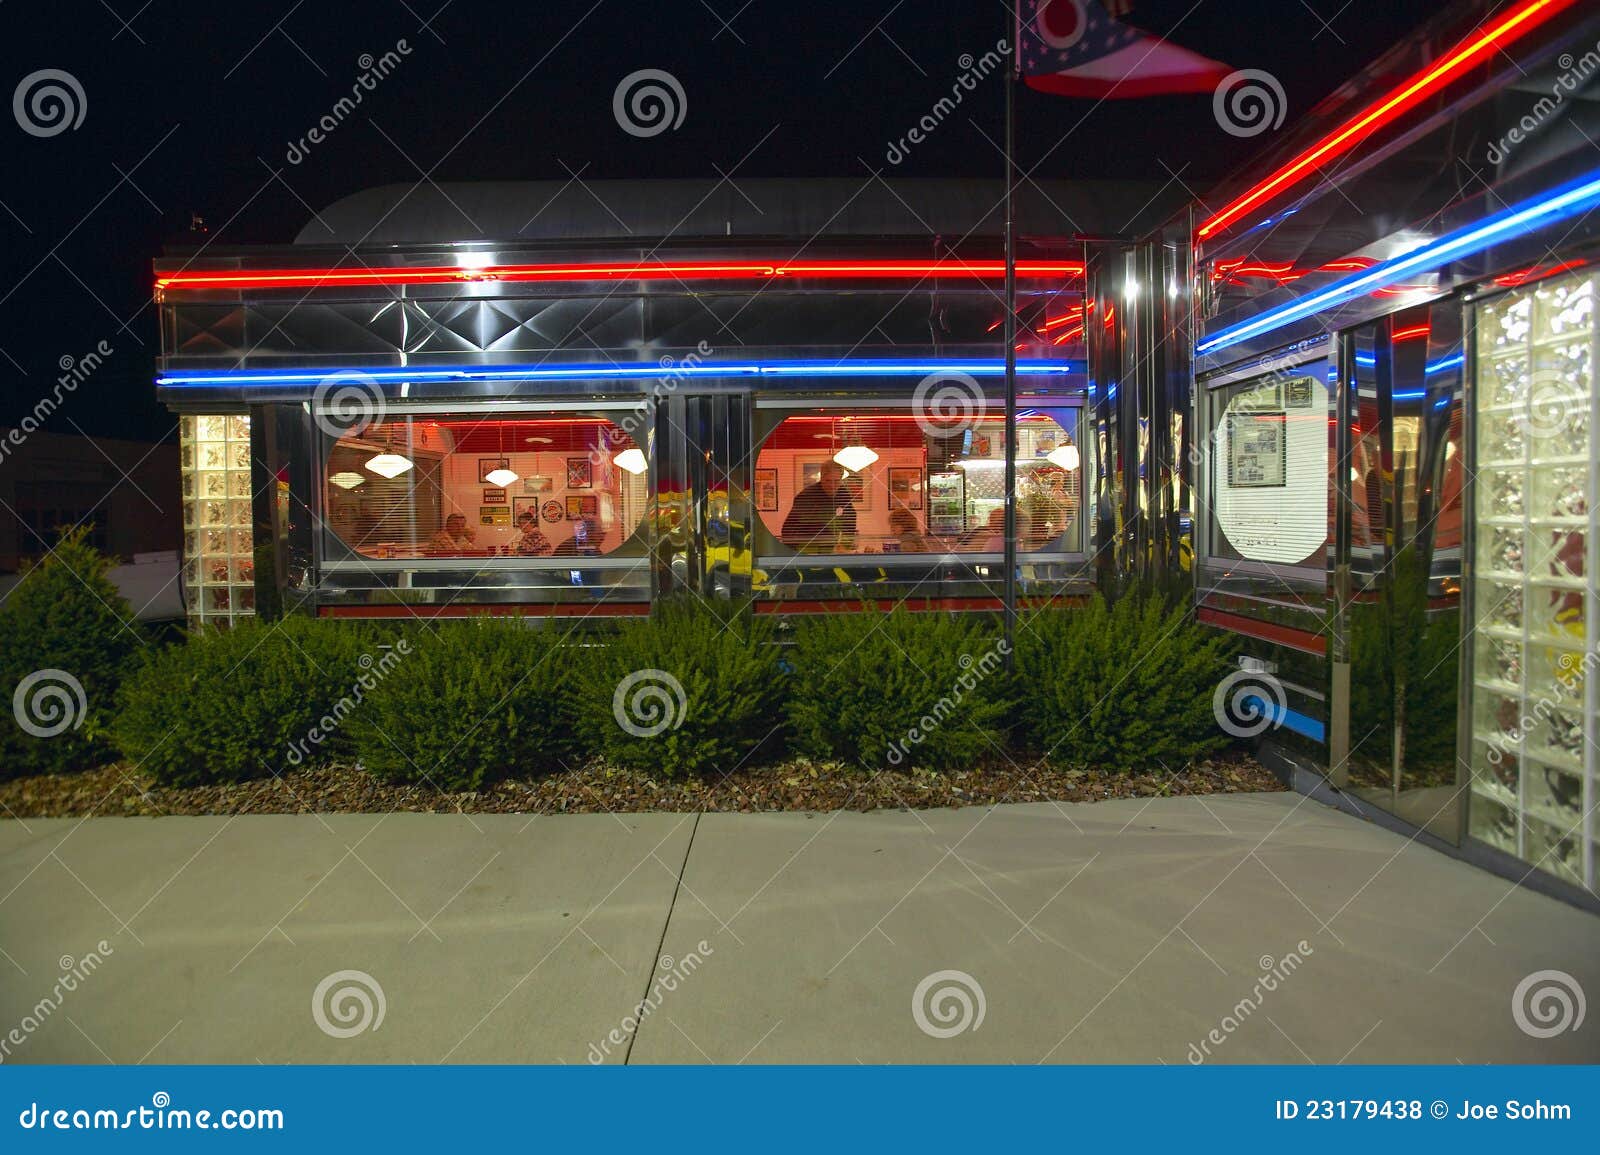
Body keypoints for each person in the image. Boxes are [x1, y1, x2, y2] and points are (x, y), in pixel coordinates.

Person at [781, 461, 857, 551]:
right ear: (821, 478)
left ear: (841, 479)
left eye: (836, 481)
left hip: (831, 548)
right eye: (828, 481)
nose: (832, 486)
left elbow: (850, 520)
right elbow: (789, 530)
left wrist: (845, 545)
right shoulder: (806, 496)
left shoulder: (843, 494)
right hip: (807, 549)